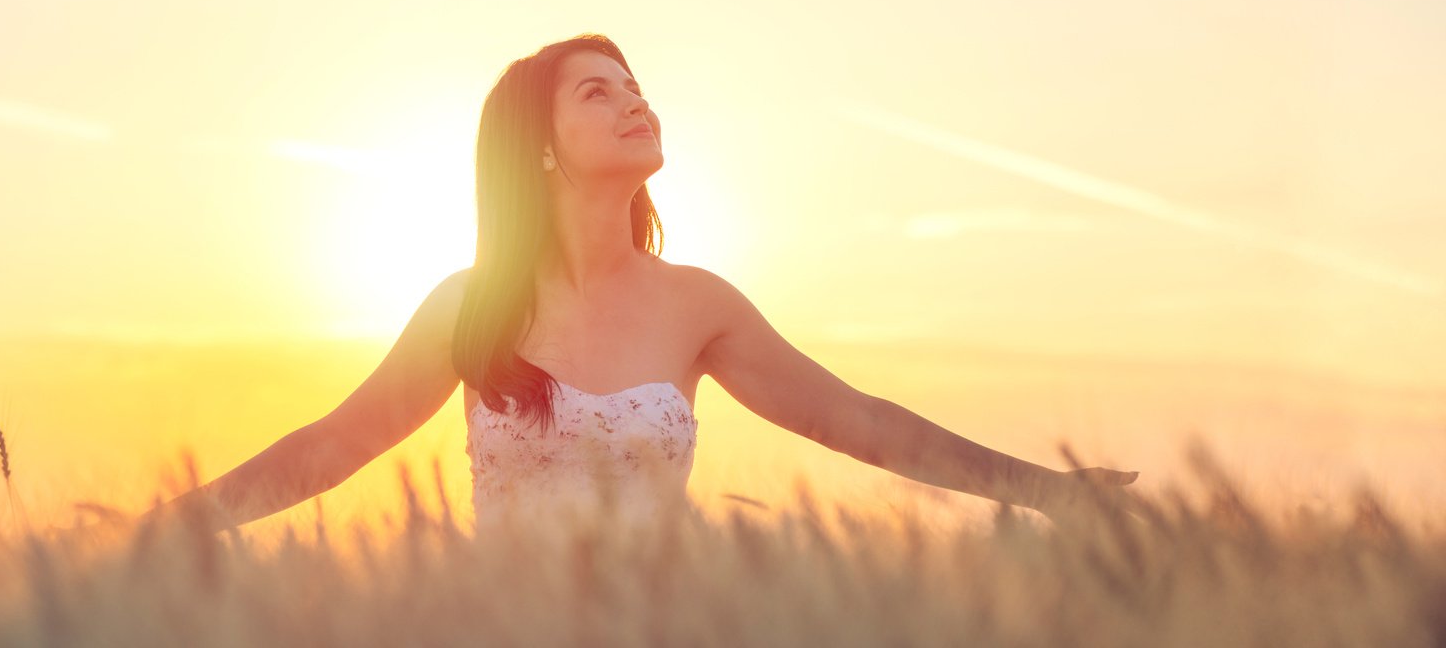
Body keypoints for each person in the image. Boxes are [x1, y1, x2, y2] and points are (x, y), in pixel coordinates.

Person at [136, 33, 1148, 538]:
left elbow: (861, 422)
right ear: (538, 147)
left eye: (635, 86)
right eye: (597, 90)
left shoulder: (698, 305)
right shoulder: (467, 305)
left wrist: (1047, 489)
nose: (634, 101)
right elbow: (334, 442)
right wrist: (161, 528)